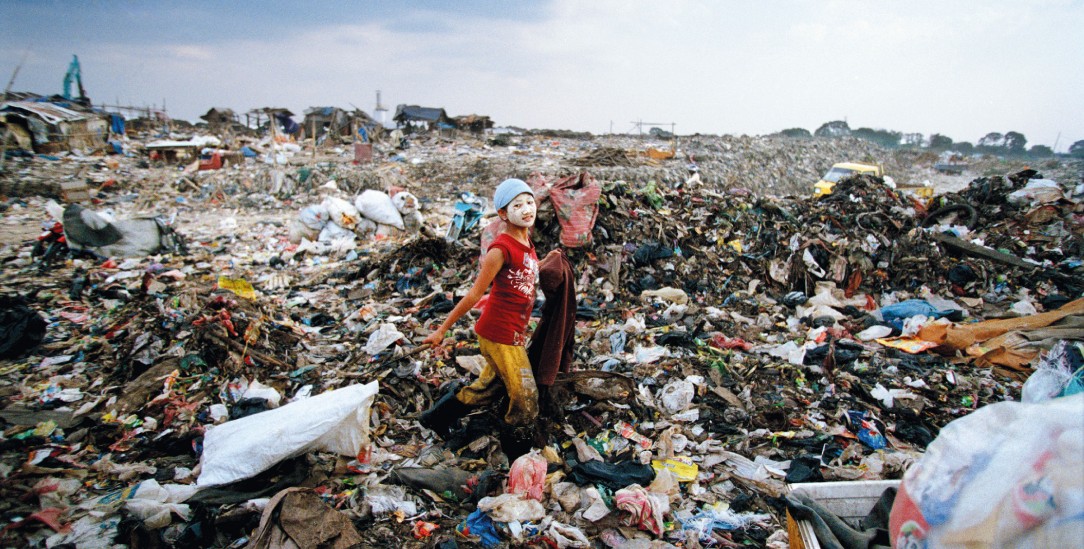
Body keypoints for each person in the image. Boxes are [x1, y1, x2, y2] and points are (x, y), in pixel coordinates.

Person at [420, 178, 554, 458]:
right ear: (503, 214)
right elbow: (473, 295)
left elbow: (526, 275)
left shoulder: (526, 240)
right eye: (518, 205)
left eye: (530, 202)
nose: (527, 209)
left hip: (514, 331)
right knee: (525, 397)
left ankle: (435, 419)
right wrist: (441, 330)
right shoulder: (500, 249)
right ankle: (517, 456)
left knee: (487, 388)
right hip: (498, 333)